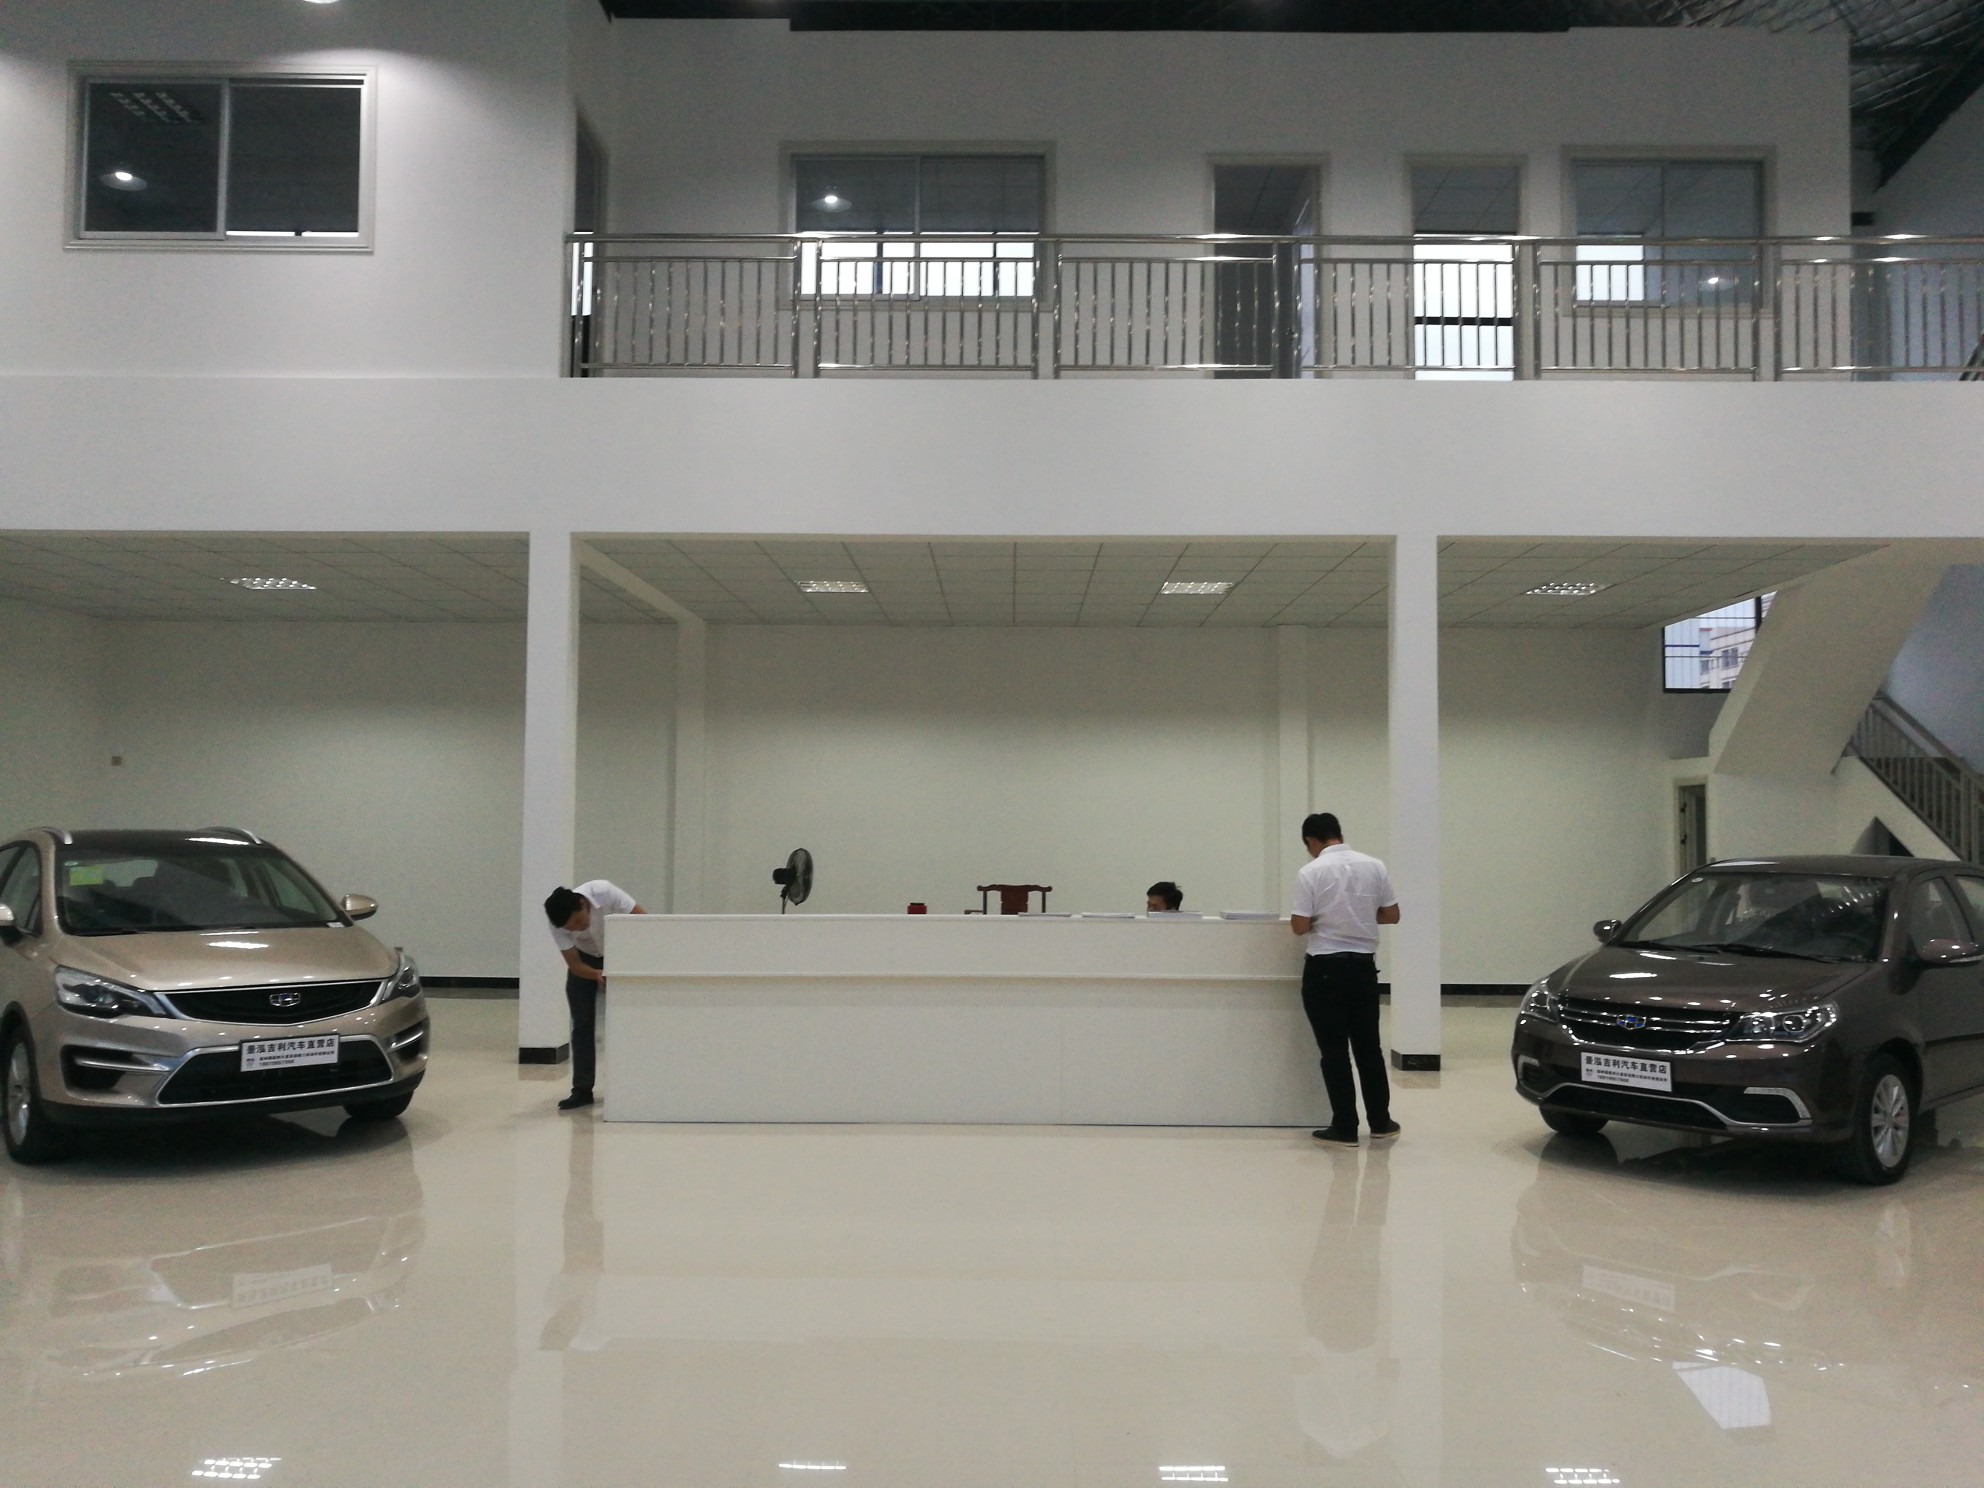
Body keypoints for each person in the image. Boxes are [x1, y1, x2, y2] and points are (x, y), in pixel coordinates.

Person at [1290, 813, 1400, 1147]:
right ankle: (1380, 1122)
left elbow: (1299, 926)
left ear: (1311, 841)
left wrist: (1327, 919)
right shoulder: (1375, 866)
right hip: (1364, 969)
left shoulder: (1310, 872)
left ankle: (1345, 1126)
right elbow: (1392, 914)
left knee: (1334, 1051)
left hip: (1325, 969)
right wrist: (1359, 917)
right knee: (1369, 1048)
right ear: (1338, 833)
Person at [542, 880, 644, 1111]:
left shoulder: (604, 892)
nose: (578, 929)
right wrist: (596, 974)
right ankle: (582, 1090)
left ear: (582, 904)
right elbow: (574, 964)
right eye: (571, 928)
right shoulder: (558, 924)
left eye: (579, 921)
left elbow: (642, 920)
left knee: (631, 1021)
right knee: (582, 1025)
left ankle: (633, 1086)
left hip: (619, 953)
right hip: (585, 962)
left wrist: (633, 961)